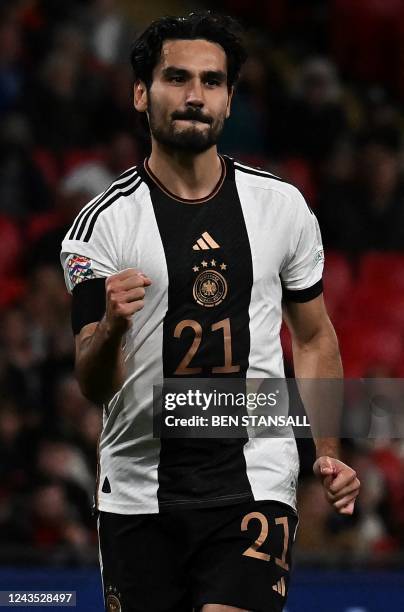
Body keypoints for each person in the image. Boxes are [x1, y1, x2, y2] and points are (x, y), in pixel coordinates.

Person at [60, 12, 360, 612]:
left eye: (212, 82)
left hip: (255, 476)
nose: (195, 96)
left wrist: (326, 448)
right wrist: (114, 324)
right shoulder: (99, 227)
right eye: (176, 78)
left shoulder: (283, 209)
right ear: (141, 93)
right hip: (139, 489)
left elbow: (314, 336)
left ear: (228, 100)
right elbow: (93, 382)